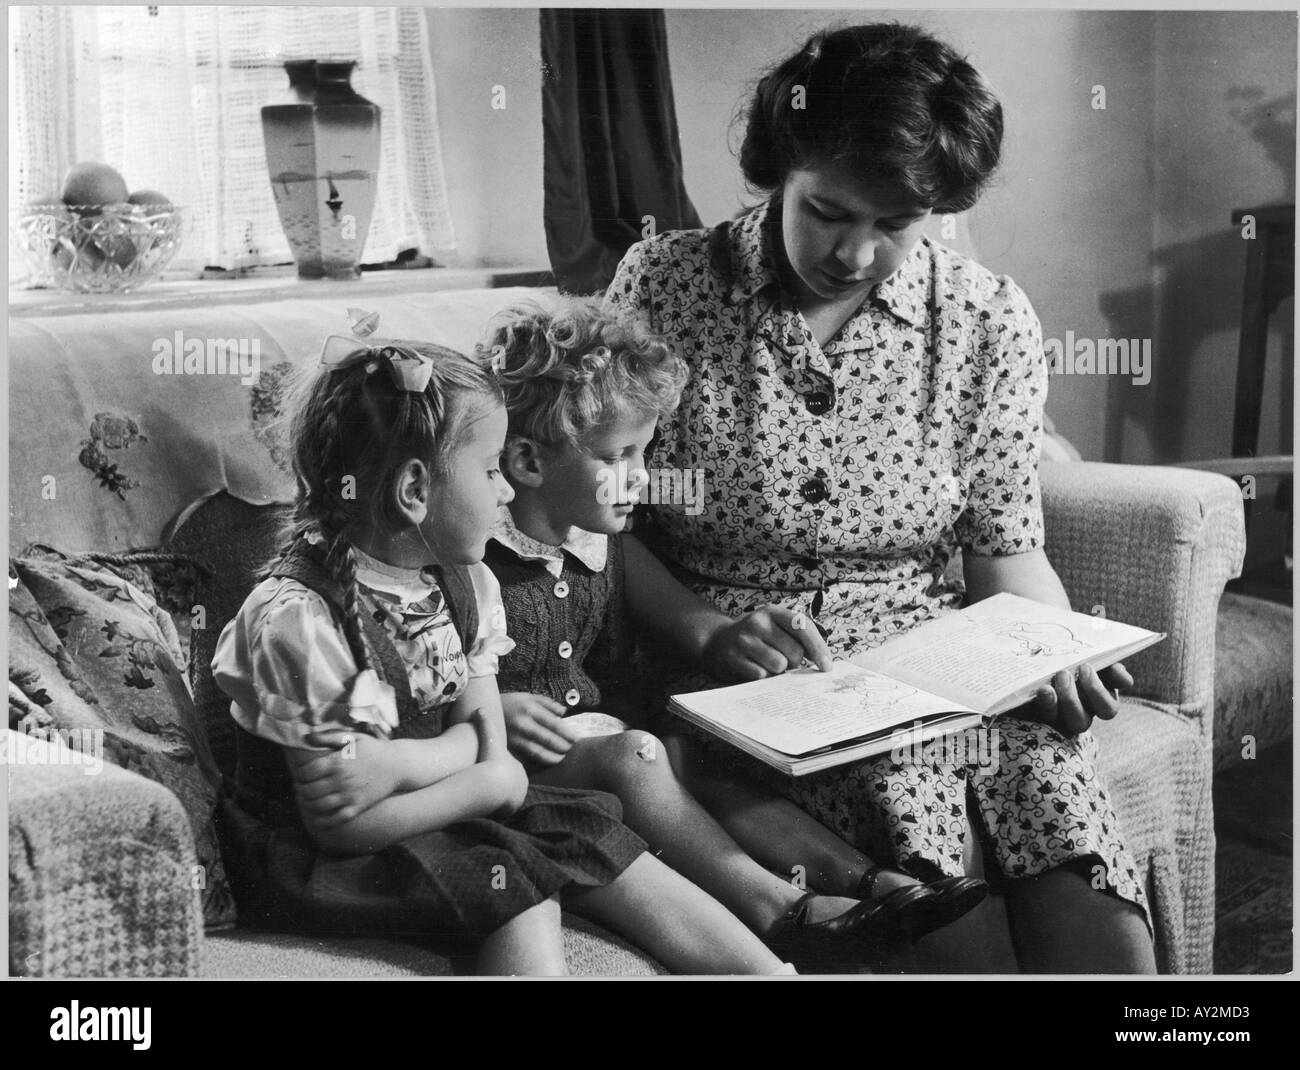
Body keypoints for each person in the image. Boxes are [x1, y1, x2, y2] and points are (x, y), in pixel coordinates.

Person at [605, 23, 1156, 973]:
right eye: (828, 211)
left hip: (936, 670)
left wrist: (1055, 656)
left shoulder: (986, 318)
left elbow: (1007, 547)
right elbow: (595, 525)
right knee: (945, 891)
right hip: (747, 686)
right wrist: (700, 630)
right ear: (782, 165)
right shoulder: (665, 286)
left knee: (1078, 865)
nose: (855, 254)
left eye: (896, 223)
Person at [210, 321, 792, 976]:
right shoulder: (299, 620)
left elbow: (483, 735)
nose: (508, 492)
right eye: (490, 471)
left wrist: (420, 761)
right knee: (511, 887)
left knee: (589, 827)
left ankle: (771, 974)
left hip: (438, 804)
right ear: (413, 491)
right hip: (321, 859)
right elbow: (342, 822)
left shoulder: (466, 583)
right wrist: (482, 773)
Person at [477, 296, 989, 970]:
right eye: (620, 455)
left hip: (604, 748)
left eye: (646, 451)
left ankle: (866, 882)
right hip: (522, 776)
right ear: (527, 462)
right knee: (641, 757)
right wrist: (491, 716)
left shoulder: (605, 546)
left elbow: (685, 622)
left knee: (698, 759)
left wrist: (722, 639)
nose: (644, 477)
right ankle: (787, 909)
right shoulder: (474, 560)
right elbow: (430, 678)